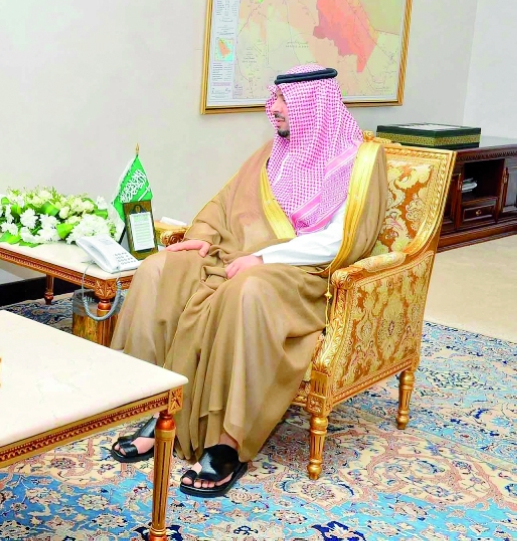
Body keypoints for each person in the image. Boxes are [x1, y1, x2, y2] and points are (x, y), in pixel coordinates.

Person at [109, 64, 387, 498]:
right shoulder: (272, 152)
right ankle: (157, 405)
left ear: (313, 106)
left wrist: (263, 257)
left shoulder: (361, 162)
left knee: (245, 291)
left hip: (299, 274)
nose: (273, 108)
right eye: (274, 97)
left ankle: (228, 442)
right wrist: (203, 237)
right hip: (236, 255)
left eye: (283, 100)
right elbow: (224, 204)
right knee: (158, 269)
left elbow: (339, 241)